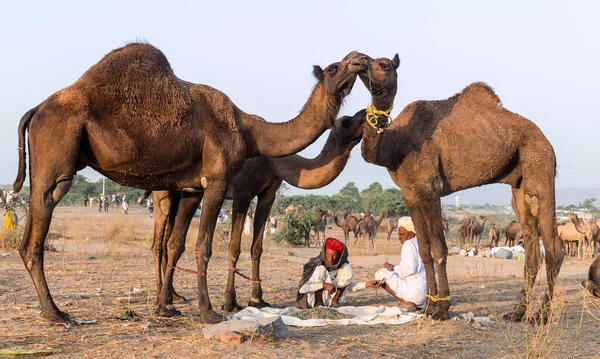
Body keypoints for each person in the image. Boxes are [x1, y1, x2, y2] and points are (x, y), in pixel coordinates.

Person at [357, 217, 427, 311]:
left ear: (411, 234)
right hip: (427, 295)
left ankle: (405, 302)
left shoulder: (408, 244)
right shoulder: (425, 243)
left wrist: (391, 267)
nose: (399, 238)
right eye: (398, 234)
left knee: (381, 273)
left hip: (413, 294)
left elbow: (409, 270)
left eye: (401, 234)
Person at [296, 237, 378, 309]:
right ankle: (319, 304)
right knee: (321, 268)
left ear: (339, 256)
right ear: (324, 252)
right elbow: (303, 289)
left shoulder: (340, 267)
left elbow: (346, 285)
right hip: (313, 301)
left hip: (329, 302)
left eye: (334, 255)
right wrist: (323, 285)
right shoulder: (316, 264)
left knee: (347, 267)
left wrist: (366, 284)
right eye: (328, 254)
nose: (330, 259)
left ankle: (335, 301)